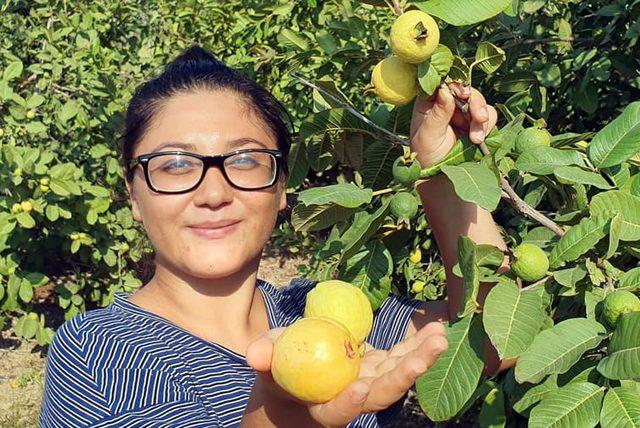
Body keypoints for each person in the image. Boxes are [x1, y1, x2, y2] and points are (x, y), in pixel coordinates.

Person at [39, 45, 507, 428]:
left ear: (280, 187)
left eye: (244, 160)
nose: (214, 192)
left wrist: (447, 169)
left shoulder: (319, 310)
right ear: (134, 194)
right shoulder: (98, 355)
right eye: (177, 164)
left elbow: (494, 339)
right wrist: (282, 414)